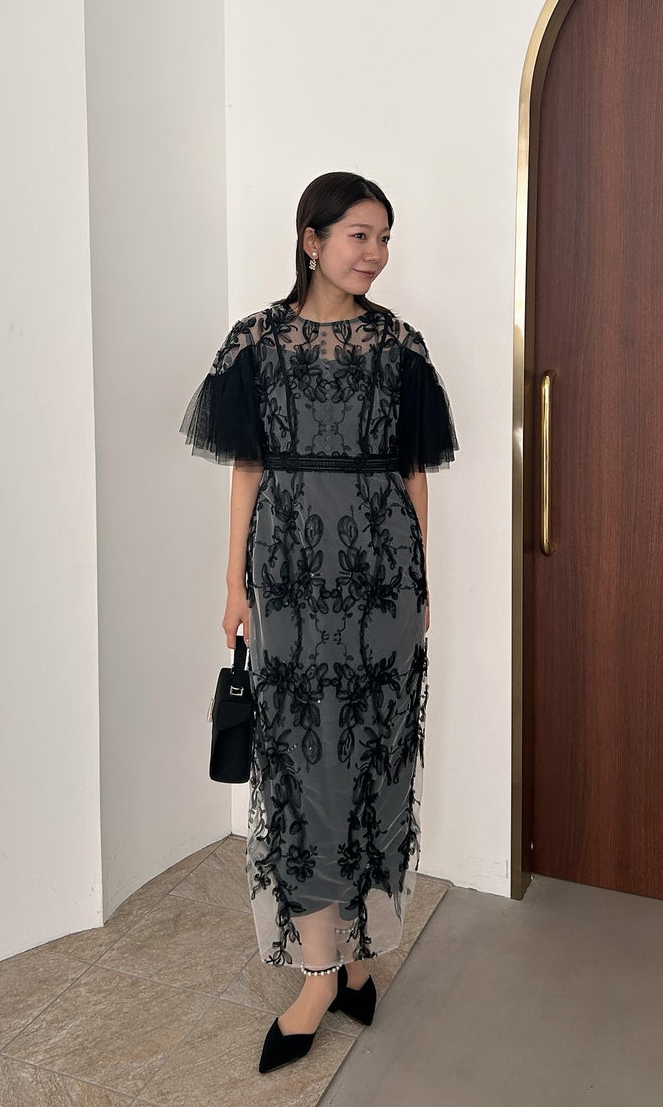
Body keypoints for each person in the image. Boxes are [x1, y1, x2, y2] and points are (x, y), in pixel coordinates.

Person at [179, 171, 457, 1074]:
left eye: (385, 238)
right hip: (291, 576)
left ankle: (359, 952)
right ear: (312, 239)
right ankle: (316, 976)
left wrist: (420, 578)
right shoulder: (257, 342)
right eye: (359, 236)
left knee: (375, 757)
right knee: (304, 767)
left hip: (383, 579)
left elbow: (414, 473)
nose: (376, 254)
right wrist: (234, 582)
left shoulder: (399, 344)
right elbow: (247, 471)